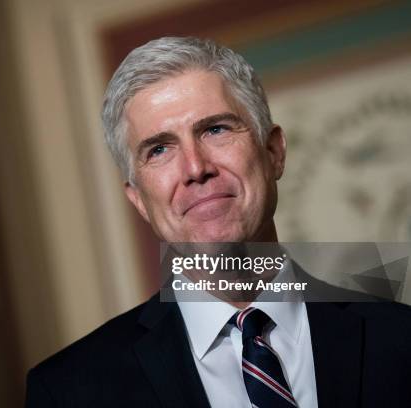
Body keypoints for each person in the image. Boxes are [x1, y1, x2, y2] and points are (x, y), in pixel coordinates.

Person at [25, 37, 411, 407]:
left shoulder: (400, 338)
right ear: (139, 200)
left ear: (274, 151)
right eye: (159, 149)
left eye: (215, 129)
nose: (195, 168)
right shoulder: (68, 390)